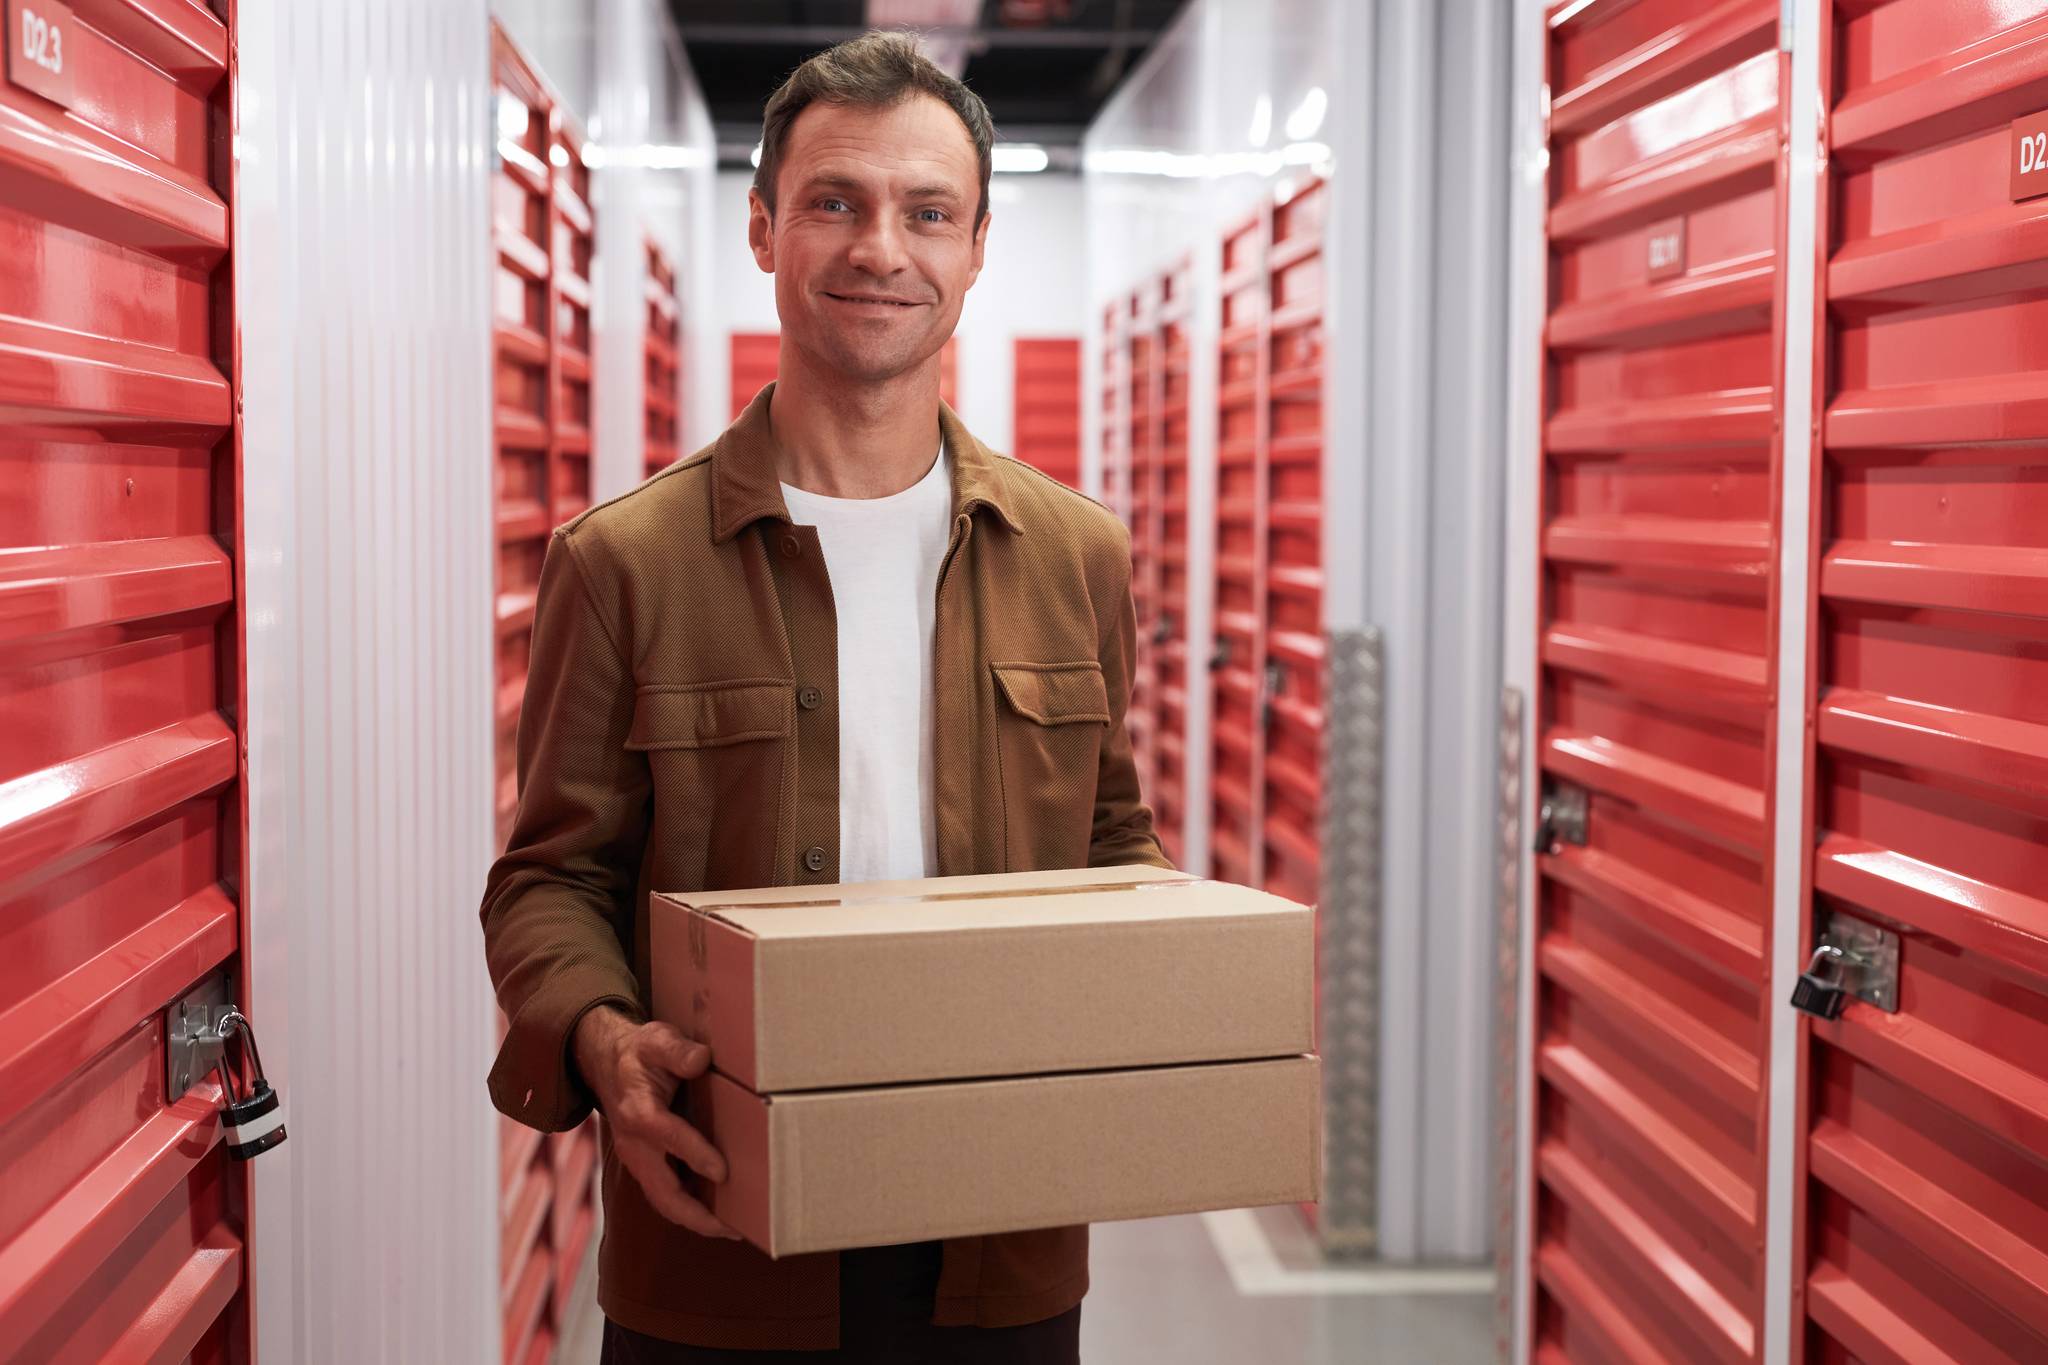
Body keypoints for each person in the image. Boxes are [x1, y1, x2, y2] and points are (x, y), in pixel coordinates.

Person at [480, 30, 1168, 1364]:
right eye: (834, 203)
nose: (880, 250)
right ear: (763, 227)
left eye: (928, 212)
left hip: (1002, 1244)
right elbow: (548, 880)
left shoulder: (1075, 555)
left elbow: (1110, 842)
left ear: (977, 247)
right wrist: (604, 1038)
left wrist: (1164, 987)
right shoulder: (625, 564)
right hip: (722, 1242)